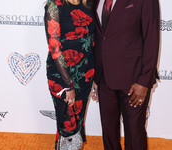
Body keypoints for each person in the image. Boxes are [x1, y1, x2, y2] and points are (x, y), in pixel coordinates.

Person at [92, 0, 160, 149]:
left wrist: (144, 81)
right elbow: (100, 36)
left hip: (134, 78)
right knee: (109, 133)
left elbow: (152, 38)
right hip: (104, 77)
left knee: (134, 134)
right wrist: (95, 76)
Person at [44, 0, 95, 149]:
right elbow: (55, 49)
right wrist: (68, 84)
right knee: (67, 122)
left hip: (85, 73)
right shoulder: (54, 6)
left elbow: (92, 40)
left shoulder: (88, 3)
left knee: (77, 121)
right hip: (62, 75)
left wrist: (96, 76)